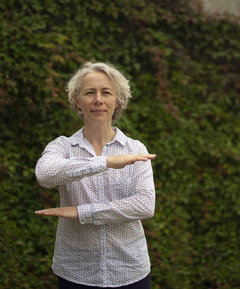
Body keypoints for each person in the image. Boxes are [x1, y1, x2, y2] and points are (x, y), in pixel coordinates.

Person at [34, 62, 156, 289]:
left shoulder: (136, 148)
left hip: (129, 270)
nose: (98, 99)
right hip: (76, 271)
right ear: (77, 100)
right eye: (90, 92)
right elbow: (45, 175)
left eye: (106, 92)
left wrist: (82, 212)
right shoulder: (63, 146)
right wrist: (105, 162)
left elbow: (144, 205)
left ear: (117, 100)